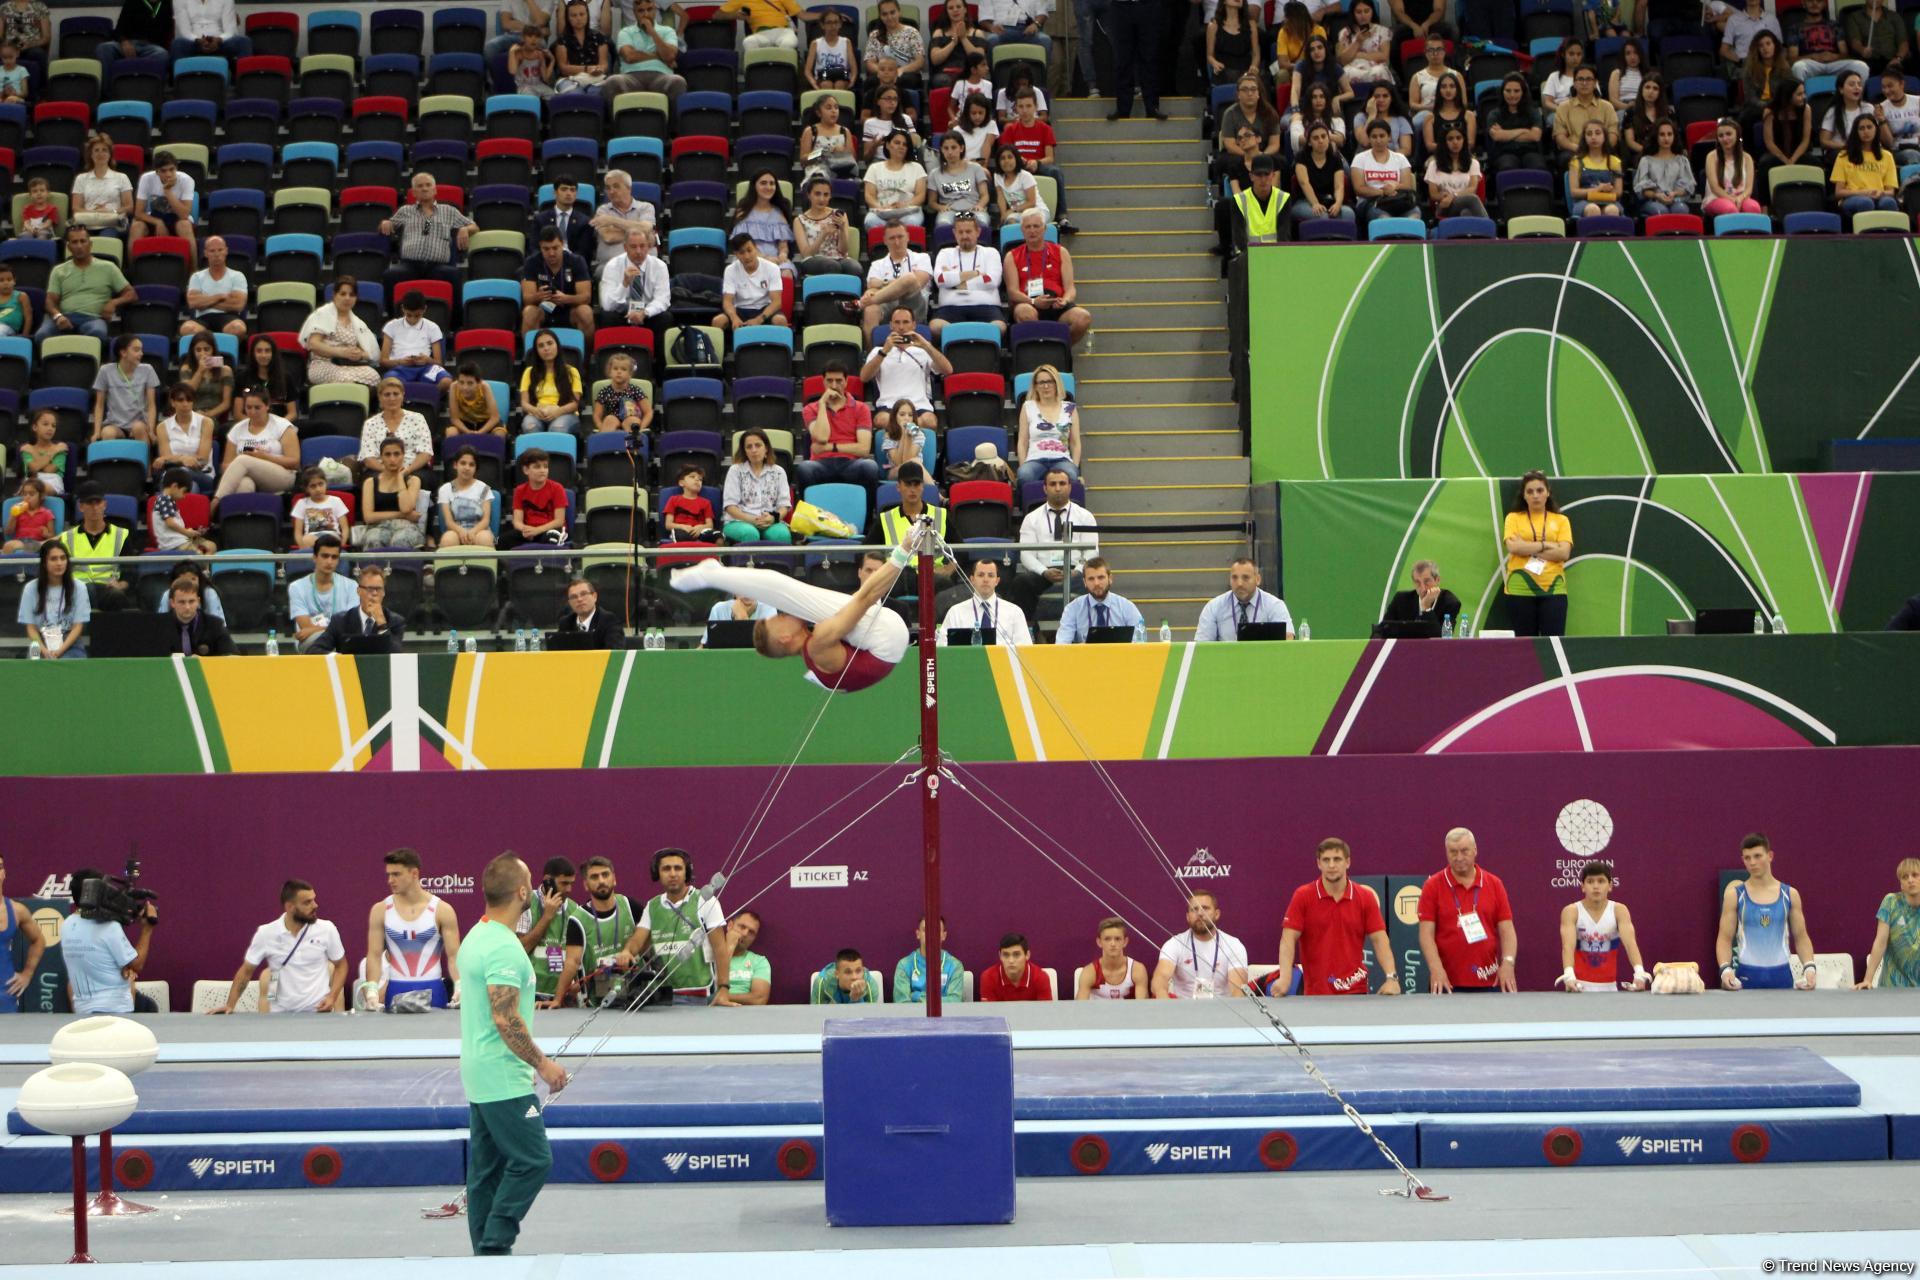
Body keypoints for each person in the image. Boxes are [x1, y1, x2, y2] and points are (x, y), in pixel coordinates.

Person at [669, 518, 925, 690]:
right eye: (777, 620)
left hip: (884, 642)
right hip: (886, 641)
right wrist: (905, 548)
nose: (781, 615)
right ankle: (713, 574)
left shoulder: (816, 646)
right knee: (784, 589)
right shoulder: (818, 646)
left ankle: (715, 574)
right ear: (783, 638)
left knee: (787, 590)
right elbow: (866, 597)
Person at [460, 852, 568, 1258]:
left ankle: (486, 1261)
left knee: (486, 1174)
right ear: (523, 891)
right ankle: (495, 1243)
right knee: (534, 1159)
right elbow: (505, 1018)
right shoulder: (503, 949)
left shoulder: (479, 934)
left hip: (479, 1071)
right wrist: (543, 1064)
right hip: (505, 1076)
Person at [611, 848, 736, 1006]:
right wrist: (627, 952)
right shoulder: (653, 906)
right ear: (657, 874)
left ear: (687, 872)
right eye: (666, 869)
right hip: (660, 996)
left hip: (697, 995)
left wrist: (724, 989)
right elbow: (638, 939)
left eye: (678, 868)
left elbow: (720, 949)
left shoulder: (706, 901)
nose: (672, 874)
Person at [1277, 838, 1398, 996]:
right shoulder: (1303, 896)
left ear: (1347, 862)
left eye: (1337, 859)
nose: (1332, 865)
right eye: (1326, 860)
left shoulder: (1365, 897)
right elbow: (1288, 939)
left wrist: (1391, 978)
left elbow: (1380, 940)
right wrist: (1285, 978)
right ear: (1319, 864)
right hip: (1315, 994)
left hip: (1355, 991)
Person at [213, 880, 349, 1015]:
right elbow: (246, 971)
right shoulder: (266, 933)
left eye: (314, 900)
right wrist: (230, 1005)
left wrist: (332, 997)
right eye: (307, 902)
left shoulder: (327, 929)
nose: (315, 905)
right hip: (280, 1016)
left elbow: (341, 965)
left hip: (318, 1013)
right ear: (290, 907)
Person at [1417, 826, 1518, 993]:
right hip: (1446, 982)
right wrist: (1436, 969)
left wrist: (1508, 962)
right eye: (1453, 852)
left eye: (1464, 851)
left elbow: (1507, 930)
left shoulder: (1494, 884)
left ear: (1475, 850)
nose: (1459, 857)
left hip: (1489, 980)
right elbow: (1426, 935)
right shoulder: (1432, 886)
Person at [1715, 832, 1818, 991]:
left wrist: (1809, 968)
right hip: (1747, 976)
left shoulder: (1790, 895)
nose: (1752, 862)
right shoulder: (1735, 896)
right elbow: (1724, 938)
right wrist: (1725, 969)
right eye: (1747, 858)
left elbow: (1801, 937)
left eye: (1757, 856)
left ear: (1770, 856)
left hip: (1781, 976)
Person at [366, 847, 462, 1011]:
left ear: (414, 873)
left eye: (396, 874)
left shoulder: (442, 910)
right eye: (388, 875)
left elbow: (454, 956)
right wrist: (372, 989)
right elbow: (374, 955)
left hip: (433, 990)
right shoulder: (380, 910)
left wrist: (460, 984)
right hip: (396, 989)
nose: (390, 880)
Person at [61, 867, 158, 1016]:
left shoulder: (66, 925)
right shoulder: (109, 927)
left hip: (83, 1011)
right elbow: (137, 965)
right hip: (115, 1011)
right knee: (149, 1007)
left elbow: (98, 956)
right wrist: (147, 929)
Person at [550, 856, 644, 1008]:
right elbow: (572, 962)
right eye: (594, 877)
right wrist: (557, 999)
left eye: (605, 875)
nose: (601, 880)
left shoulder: (631, 906)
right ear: (586, 885)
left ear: (614, 879)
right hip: (598, 1005)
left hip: (637, 1001)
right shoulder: (578, 919)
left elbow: (648, 942)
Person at [1010, 468, 1095, 616]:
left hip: (1075, 571)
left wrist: (1078, 571)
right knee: (1021, 582)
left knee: (1093, 580)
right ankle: (1031, 631)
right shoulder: (1031, 518)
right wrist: (1044, 571)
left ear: (1069, 487)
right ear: (1045, 488)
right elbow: (1026, 554)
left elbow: (1092, 550)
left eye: (1062, 483)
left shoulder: (1085, 516)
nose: (1058, 488)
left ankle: (1084, 633)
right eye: (1053, 484)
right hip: (1043, 572)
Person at [1557, 861, 1650, 992]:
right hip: (1578, 985)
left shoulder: (1619, 910)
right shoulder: (1572, 911)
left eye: (1601, 881)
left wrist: (1639, 973)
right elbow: (1568, 946)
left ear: (1610, 886)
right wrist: (1569, 975)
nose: (1596, 886)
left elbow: (1630, 944)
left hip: (1609, 987)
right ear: (1583, 886)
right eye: (1590, 881)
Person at [1003, 209, 1093, 344]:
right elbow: (1012, 292)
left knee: (1083, 318)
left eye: (1036, 226)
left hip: (1057, 304)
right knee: (1025, 313)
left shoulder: (1061, 252)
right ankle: (1039, 350)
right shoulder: (1012, 256)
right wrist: (1033, 302)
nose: (1032, 231)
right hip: (1029, 302)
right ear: (1022, 230)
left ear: (1044, 228)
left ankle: (1058, 349)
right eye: (1028, 227)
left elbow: (1070, 288)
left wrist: (1065, 301)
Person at [1502, 468, 1573, 637]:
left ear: (1548, 493)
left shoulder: (1561, 520)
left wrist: (1526, 547)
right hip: (1519, 590)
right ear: (1524, 495)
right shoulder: (1513, 518)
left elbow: (1564, 554)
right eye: (1530, 491)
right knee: (1524, 648)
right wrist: (1547, 545)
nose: (1535, 495)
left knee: (1554, 643)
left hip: (1554, 590)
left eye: (1540, 490)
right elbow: (1514, 548)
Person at [37, 226, 134, 344]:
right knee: (42, 336)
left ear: (90, 244)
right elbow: (50, 300)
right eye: (74, 242)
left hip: (93, 318)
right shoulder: (59, 270)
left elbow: (131, 294)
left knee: (97, 333)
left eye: (83, 241)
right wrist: (58, 316)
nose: (79, 246)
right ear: (68, 247)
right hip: (63, 316)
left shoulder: (108, 267)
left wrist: (113, 302)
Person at [863, 306, 951, 436]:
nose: (901, 327)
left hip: (919, 406)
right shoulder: (878, 351)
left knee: (930, 422)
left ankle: (903, 431)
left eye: (905, 322)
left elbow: (948, 370)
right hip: (889, 406)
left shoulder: (924, 351)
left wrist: (927, 345)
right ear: (891, 325)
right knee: (881, 420)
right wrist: (884, 351)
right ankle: (911, 432)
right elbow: (864, 377)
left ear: (914, 325)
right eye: (897, 322)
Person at [380, 173, 475, 290]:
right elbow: (387, 226)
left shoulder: (449, 211)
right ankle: (390, 309)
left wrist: (465, 228)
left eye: (428, 185)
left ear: (434, 190)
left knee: (454, 275)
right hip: (410, 264)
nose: (424, 188)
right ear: (414, 192)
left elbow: (474, 226)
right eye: (419, 186)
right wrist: (385, 223)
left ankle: (456, 309)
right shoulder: (405, 211)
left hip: (438, 265)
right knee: (390, 275)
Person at [795, 363, 881, 490]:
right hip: (820, 463)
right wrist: (823, 404)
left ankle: (868, 510)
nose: (834, 386)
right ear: (823, 382)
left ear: (846, 382)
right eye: (829, 381)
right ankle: (808, 510)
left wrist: (831, 447)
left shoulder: (861, 408)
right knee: (804, 468)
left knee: (870, 467)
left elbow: (864, 449)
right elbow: (822, 437)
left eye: (839, 381)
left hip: (851, 464)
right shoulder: (810, 409)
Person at [1151, 891, 1248, 998]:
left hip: (1223, 1010)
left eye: (1205, 908)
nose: (1200, 913)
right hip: (1183, 1010)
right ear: (1188, 916)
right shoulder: (1174, 944)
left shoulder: (1233, 945)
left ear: (1217, 914)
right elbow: (1160, 980)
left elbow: (1238, 989)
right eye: (1194, 909)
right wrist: (1165, 1004)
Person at [57, 483, 131, 610]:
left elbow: (130, 572)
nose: (94, 507)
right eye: (89, 503)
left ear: (104, 505)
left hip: (109, 590)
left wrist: (120, 585)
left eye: (98, 502)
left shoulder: (121, 534)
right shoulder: (66, 538)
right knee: (85, 591)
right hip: (78, 590)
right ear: (81, 506)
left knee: (116, 596)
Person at [515, 857, 578, 1007]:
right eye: (564, 883)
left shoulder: (575, 909)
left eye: (571, 884)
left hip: (563, 997)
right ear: (547, 880)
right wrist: (547, 917)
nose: (569, 889)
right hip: (530, 994)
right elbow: (520, 950)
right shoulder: (527, 904)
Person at [929, 212, 1005, 335]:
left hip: (986, 306)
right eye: (960, 232)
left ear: (978, 232)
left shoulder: (991, 252)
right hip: (950, 307)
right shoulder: (945, 253)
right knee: (935, 327)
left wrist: (954, 281)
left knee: (999, 327)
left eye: (968, 231)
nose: (964, 236)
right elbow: (941, 280)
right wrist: (976, 273)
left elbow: (991, 280)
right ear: (954, 233)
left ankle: (963, 336)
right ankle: (969, 336)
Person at [300, 277, 383, 389]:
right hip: (323, 365)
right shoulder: (323, 315)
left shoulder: (358, 323)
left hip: (348, 366)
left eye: (351, 295)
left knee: (374, 376)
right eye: (343, 294)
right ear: (334, 295)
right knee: (347, 382)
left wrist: (359, 354)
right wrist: (341, 352)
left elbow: (369, 352)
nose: (347, 298)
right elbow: (313, 344)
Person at [602, 0, 689, 104]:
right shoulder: (625, 32)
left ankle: (671, 120)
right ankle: (617, 120)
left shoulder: (667, 31)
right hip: (631, 77)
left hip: (661, 76)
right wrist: (658, 56)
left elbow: (670, 56)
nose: (646, 14)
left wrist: (652, 31)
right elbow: (630, 56)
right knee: (612, 82)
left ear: (655, 11)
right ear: (634, 13)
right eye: (641, 11)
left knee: (678, 81)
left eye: (649, 9)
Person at [596, 225, 671, 341]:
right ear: (625, 247)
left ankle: (657, 359)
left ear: (649, 246)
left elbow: (663, 300)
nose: (638, 251)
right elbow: (607, 305)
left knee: (665, 318)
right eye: (633, 247)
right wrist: (624, 284)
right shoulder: (612, 266)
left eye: (642, 246)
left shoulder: (659, 266)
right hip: (622, 314)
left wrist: (644, 313)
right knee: (607, 317)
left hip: (647, 314)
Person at [287, 535, 359, 653]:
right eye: (325, 556)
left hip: (342, 643)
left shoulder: (352, 586)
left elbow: (351, 626)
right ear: (315, 557)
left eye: (334, 557)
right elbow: (305, 627)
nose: (329, 561)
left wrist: (314, 629)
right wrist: (335, 631)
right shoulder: (296, 587)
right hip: (312, 643)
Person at [17, 540, 89, 658]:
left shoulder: (79, 587)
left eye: (63, 558)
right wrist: (44, 651)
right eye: (53, 559)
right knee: (32, 668)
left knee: (68, 666)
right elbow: (31, 628)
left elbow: (78, 627)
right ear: (44, 563)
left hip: (69, 642)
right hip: (39, 642)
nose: (59, 563)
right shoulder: (30, 588)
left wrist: (59, 652)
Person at [722, 427, 794, 544]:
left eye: (758, 445)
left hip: (770, 521)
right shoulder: (735, 470)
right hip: (739, 521)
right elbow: (730, 506)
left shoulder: (778, 471)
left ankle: (776, 563)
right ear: (744, 451)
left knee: (782, 534)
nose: (754, 450)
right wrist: (753, 520)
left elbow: (784, 505)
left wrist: (773, 518)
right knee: (750, 533)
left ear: (766, 448)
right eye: (749, 447)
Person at [940, 557, 1034, 645]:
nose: (985, 580)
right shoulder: (956, 612)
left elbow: (1025, 648)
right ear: (972, 579)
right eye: (981, 575)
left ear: (997, 581)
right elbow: (942, 647)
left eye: (990, 575)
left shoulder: (1014, 612)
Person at [1857, 857, 1920, 989]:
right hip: (1892, 987)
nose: (1910, 880)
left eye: (1915, 875)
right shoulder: (1891, 902)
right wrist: (1868, 979)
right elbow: (1880, 942)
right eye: (1905, 877)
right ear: (1901, 883)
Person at [312, 565, 405, 654]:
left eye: (378, 589)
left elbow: (396, 654)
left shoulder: (395, 621)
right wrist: (338, 658)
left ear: (383, 592)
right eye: (370, 589)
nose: (374, 593)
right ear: (359, 591)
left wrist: (382, 624)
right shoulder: (340, 621)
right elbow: (314, 650)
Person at [860, 222, 935, 330]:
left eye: (900, 237)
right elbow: (872, 288)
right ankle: (871, 347)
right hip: (887, 306)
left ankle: (862, 304)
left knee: (909, 279)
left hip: (914, 307)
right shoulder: (877, 264)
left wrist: (883, 283)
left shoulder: (922, 258)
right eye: (892, 238)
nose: (897, 242)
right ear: (885, 241)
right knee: (870, 310)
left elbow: (917, 282)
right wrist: (872, 293)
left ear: (908, 237)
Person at [1195, 557, 1292, 640]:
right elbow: (1202, 647)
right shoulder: (1214, 607)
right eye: (1234, 578)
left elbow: (1288, 638)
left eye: (1245, 578)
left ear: (1258, 579)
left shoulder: (1274, 605)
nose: (1239, 583)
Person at [379, 293, 453, 396]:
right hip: (400, 369)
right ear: (403, 309)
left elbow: (439, 362)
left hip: (426, 368)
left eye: (417, 315)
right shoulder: (391, 326)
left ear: (424, 310)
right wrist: (400, 361)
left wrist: (427, 360)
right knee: (389, 383)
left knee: (446, 382)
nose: (413, 319)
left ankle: (430, 399)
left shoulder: (432, 327)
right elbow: (383, 361)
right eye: (409, 315)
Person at [1053, 557, 1143, 643]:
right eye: (1091, 579)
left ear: (1110, 579)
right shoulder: (1072, 609)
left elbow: (1139, 642)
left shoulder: (1127, 607)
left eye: (1101, 577)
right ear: (1084, 582)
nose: (1096, 583)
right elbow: (1062, 644)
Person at [361, 437, 427, 551]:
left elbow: (406, 508)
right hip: (378, 527)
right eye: (387, 454)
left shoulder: (413, 480)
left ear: (403, 456)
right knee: (374, 539)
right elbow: (368, 517)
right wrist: (401, 515)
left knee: (400, 540)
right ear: (381, 457)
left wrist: (400, 477)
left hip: (406, 527)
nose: (392, 459)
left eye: (397, 454)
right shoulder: (370, 483)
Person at [1107, 0, 1169, 121]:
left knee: (1150, 58)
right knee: (1122, 59)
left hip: (1148, 6)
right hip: (1121, 6)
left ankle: (1152, 107)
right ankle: (1122, 109)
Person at [0, 853, 47, 1012]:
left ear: (4, 873)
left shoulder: (17, 911)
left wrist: (27, 973)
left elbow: (38, 940)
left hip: (6, 994)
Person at [1831, 112, 1901, 217]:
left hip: (1879, 196)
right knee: (1866, 202)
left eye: (1869, 127)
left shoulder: (1887, 156)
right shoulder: (1844, 155)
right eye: (1861, 128)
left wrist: (1881, 193)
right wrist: (1863, 193)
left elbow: (1890, 192)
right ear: (1856, 132)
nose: (1866, 131)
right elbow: (1839, 192)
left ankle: (1890, 233)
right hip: (1852, 198)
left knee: (1888, 202)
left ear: (1876, 129)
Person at [518, 329, 585, 438]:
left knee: (557, 428)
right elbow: (524, 403)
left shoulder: (571, 371)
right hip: (537, 413)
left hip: (565, 413)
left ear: (557, 345)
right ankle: (537, 455)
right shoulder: (529, 372)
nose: (546, 348)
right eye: (541, 346)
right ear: (537, 351)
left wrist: (558, 411)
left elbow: (575, 403)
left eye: (550, 343)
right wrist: (536, 410)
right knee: (529, 426)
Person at [180, 235, 248, 339]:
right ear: (206, 253)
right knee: (186, 329)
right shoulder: (197, 276)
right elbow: (193, 302)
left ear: (226, 251)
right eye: (212, 251)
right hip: (202, 318)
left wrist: (205, 301)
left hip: (229, 317)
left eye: (220, 250)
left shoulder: (237, 276)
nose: (217, 254)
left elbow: (237, 304)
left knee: (238, 328)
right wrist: (220, 297)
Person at [717, 232, 788, 331]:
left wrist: (759, 320)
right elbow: (727, 301)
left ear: (756, 248)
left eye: (749, 250)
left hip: (764, 309)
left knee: (780, 320)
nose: (747, 256)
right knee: (718, 321)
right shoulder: (730, 270)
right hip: (740, 309)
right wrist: (734, 318)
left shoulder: (772, 268)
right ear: (736, 254)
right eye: (741, 253)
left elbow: (777, 302)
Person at [863, 128, 929, 229]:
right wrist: (881, 207)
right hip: (882, 211)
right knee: (870, 221)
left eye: (904, 144)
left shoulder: (916, 167)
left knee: (912, 223)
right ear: (888, 145)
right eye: (897, 143)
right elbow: (869, 195)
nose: (901, 147)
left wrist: (905, 204)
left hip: (908, 212)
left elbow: (920, 196)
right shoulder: (874, 168)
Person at [68, 137, 134, 239]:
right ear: (91, 154)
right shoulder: (81, 179)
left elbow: (129, 207)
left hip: (112, 223)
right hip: (88, 222)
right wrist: (96, 214)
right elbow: (76, 208)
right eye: (96, 150)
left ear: (110, 154)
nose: (100, 154)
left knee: (105, 238)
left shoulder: (122, 177)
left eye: (104, 150)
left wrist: (111, 211)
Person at [130, 150, 196, 253]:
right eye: (163, 171)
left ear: (176, 168)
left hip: (177, 219)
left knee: (185, 226)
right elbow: (138, 213)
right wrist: (158, 222)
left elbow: (184, 214)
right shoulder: (146, 179)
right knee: (136, 227)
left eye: (171, 169)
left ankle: (193, 268)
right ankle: (133, 267)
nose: (168, 174)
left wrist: (167, 191)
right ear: (157, 172)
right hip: (155, 216)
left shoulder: (187, 180)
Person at [732, 170, 797, 271]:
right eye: (763, 183)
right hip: (749, 258)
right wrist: (765, 259)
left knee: (787, 272)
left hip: (775, 260)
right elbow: (742, 245)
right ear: (754, 186)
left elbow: (783, 245)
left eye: (772, 183)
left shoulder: (780, 212)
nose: (769, 187)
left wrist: (782, 255)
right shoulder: (743, 212)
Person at [1790, 0, 1867, 85]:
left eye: (1819, 1)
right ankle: (1802, 97)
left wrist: (1835, 56)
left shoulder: (1834, 25)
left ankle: (1856, 96)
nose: (1815, 3)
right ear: (1804, 3)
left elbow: (1845, 54)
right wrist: (1813, 57)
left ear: (1824, 4)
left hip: (1834, 64)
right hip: (1811, 64)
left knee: (1861, 66)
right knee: (1798, 67)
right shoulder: (1795, 28)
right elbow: (1792, 59)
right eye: (1810, 1)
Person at [508, 449, 570, 549]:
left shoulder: (557, 488)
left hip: (551, 529)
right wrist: (526, 530)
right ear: (526, 470)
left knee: (552, 539)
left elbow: (559, 521)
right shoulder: (519, 490)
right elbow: (517, 521)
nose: (542, 470)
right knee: (498, 540)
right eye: (537, 467)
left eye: (545, 466)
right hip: (529, 531)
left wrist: (537, 530)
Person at [437, 448, 498, 549]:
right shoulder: (445, 489)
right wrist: (461, 531)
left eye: (471, 464)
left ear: (475, 468)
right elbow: (448, 521)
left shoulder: (484, 488)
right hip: (456, 530)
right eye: (463, 463)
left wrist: (473, 532)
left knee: (485, 539)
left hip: (479, 530)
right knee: (447, 540)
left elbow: (485, 520)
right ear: (455, 465)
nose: (467, 468)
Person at [894, 916, 965, 1002]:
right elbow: (902, 1003)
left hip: (947, 1015)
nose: (930, 934)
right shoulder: (904, 965)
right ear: (918, 934)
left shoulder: (955, 966)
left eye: (936, 930)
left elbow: (954, 1001)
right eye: (925, 930)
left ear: (944, 936)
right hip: (913, 1015)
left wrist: (916, 996)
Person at [1486, 73, 1548, 174]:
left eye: (1516, 91)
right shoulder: (1494, 114)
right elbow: (1497, 136)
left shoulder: (1533, 112)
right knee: (1507, 167)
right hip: (1504, 153)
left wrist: (1505, 133)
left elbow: (1535, 136)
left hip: (1530, 151)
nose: (1512, 95)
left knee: (1538, 167)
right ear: (1502, 92)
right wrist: (1524, 130)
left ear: (1523, 92)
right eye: (1508, 91)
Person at [1634, 119, 1698, 216]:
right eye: (1662, 134)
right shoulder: (1646, 161)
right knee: (1661, 211)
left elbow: (1687, 187)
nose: (1666, 138)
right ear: (1656, 137)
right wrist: (1657, 195)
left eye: (1669, 134)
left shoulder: (1681, 160)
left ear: (1674, 136)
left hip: (1676, 199)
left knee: (1681, 209)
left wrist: (1674, 194)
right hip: (1653, 201)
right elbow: (1642, 189)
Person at [1074, 917, 1148, 999]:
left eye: (1117, 939)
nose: (1113, 944)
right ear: (1099, 942)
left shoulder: (1137, 970)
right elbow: (1080, 1009)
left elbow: (1143, 1008)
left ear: (1125, 942)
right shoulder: (1090, 972)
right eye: (1107, 939)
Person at [165, 574, 237, 655]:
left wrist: (202, 662)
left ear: (198, 601)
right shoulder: (159, 627)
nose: (187, 607)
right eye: (182, 602)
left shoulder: (215, 625)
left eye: (191, 601)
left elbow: (231, 656)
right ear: (172, 603)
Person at [534, 180, 597, 268]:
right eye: (564, 189)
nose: (568, 193)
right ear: (555, 193)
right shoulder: (540, 219)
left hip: (574, 266)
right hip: (546, 264)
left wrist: (566, 262)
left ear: (576, 194)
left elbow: (584, 252)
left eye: (572, 190)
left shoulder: (585, 221)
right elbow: (534, 249)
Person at [1382, 559, 1461, 629]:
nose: (1423, 588)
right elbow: (1381, 631)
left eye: (1427, 581)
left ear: (1437, 580)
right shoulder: (1401, 600)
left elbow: (1441, 639)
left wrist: (1426, 608)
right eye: (1417, 582)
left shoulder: (1450, 603)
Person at [153, 468, 215, 555]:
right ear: (174, 486)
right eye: (184, 492)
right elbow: (170, 523)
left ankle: (206, 567)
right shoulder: (164, 500)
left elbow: (174, 526)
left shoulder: (169, 501)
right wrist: (186, 532)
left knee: (211, 546)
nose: (184, 496)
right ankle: (203, 567)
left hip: (180, 539)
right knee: (198, 555)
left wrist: (191, 531)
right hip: (173, 544)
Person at [553, 0, 611, 92]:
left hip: (595, 78)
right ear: (568, 18)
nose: (578, 18)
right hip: (569, 79)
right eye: (574, 15)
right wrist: (587, 69)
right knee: (575, 94)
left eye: (582, 14)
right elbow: (563, 68)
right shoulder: (562, 40)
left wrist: (599, 69)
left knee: (596, 93)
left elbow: (604, 64)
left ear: (587, 15)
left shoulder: (599, 37)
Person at [551, 578, 625, 647]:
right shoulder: (565, 623)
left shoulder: (609, 621)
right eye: (574, 597)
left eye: (583, 594)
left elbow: (614, 655)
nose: (579, 599)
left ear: (594, 597)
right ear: (569, 603)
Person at [980, 932, 1053, 1000]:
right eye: (1006, 955)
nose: (1011, 960)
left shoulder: (1041, 978)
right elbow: (990, 1013)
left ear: (1027, 955)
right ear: (1000, 956)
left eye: (1016, 954)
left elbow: (1045, 1012)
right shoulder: (988, 978)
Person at [291, 467, 349, 550]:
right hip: (311, 539)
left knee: (330, 540)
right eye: (313, 486)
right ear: (306, 489)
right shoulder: (302, 503)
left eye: (320, 484)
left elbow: (345, 528)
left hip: (332, 536)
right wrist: (303, 550)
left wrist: (342, 545)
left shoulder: (336, 501)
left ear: (326, 483)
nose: (318, 489)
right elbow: (298, 532)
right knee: (306, 539)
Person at [1844, 0, 1908, 74]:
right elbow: (1854, 41)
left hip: (1892, 59)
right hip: (1868, 61)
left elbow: (1903, 42)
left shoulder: (1894, 16)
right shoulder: (1854, 17)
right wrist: (1862, 50)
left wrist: (1898, 58)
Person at [866, 0, 929, 76]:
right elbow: (870, 63)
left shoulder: (912, 32)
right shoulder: (874, 35)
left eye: (892, 12)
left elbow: (919, 61)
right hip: (882, 76)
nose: (889, 17)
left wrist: (900, 70)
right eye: (884, 14)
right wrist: (883, 72)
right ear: (880, 16)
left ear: (899, 12)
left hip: (906, 74)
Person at [724, 910, 771, 1004]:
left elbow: (759, 999)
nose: (745, 934)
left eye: (751, 932)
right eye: (742, 927)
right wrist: (729, 948)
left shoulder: (759, 962)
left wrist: (722, 997)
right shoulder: (708, 955)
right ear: (730, 926)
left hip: (745, 1014)